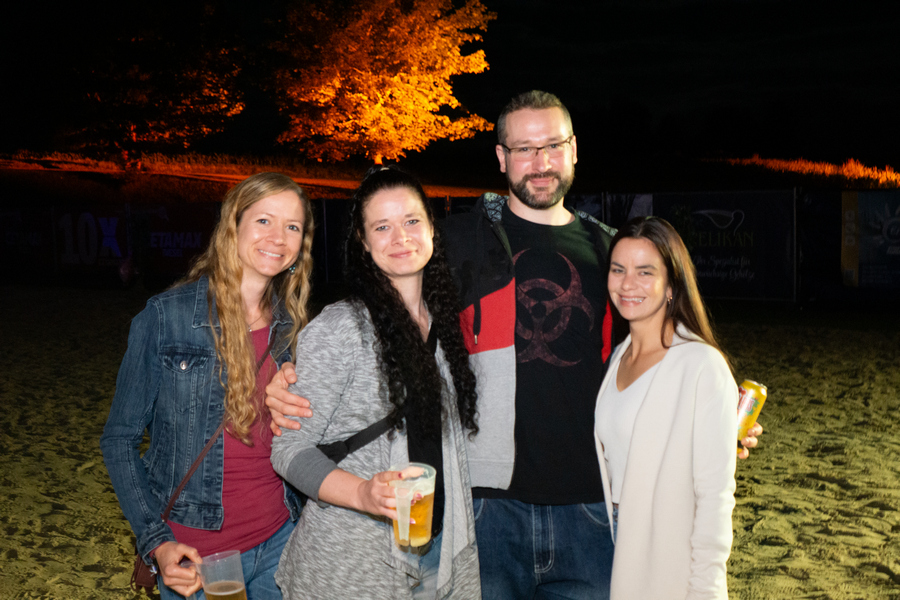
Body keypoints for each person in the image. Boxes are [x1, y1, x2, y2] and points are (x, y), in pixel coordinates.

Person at [265, 91, 761, 599]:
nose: (540, 162)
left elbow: (655, 346)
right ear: (501, 157)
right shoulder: (452, 241)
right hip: (487, 511)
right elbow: (384, 305)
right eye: (524, 149)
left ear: (573, 149)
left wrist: (712, 416)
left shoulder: (611, 253)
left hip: (590, 507)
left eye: (552, 146)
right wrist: (286, 375)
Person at [269, 167, 481, 599]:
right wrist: (363, 494)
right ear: (363, 243)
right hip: (353, 564)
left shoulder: (444, 323)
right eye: (382, 227)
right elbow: (289, 450)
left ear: (432, 229)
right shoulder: (342, 328)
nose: (400, 237)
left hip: (439, 552)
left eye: (411, 221)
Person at [100, 172, 314, 599]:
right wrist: (156, 543)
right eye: (264, 220)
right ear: (233, 226)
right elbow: (119, 440)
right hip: (199, 558)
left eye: (292, 226)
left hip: (282, 539)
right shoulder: (167, 317)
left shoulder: (293, 326)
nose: (278, 237)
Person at [594, 216, 737, 599]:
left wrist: (705, 591)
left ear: (672, 285)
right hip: (611, 540)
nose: (628, 284)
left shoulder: (702, 366)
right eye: (618, 269)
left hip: (666, 549)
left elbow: (715, 498)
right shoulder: (618, 357)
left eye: (645, 272)